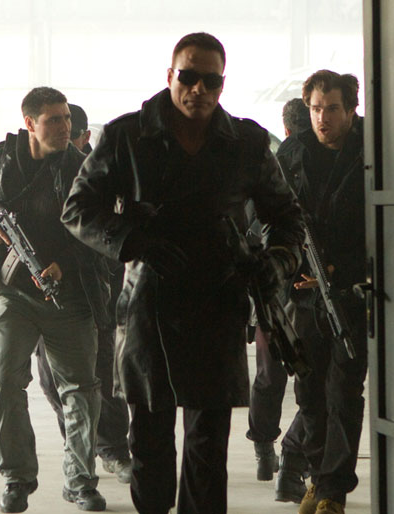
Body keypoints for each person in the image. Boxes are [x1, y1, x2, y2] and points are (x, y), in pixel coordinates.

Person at [61, 32, 305, 514]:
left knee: (208, 452)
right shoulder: (127, 136)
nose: (199, 89)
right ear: (170, 76)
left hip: (219, 304)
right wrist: (135, 241)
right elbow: (78, 209)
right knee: (150, 447)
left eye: (211, 81)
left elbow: (288, 219)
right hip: (149, 304)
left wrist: (274, 264)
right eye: (189, 77)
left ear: (222, 84)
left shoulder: (247, 143)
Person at [0, 87, 108, 513]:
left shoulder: (82, 168)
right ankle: (17, 478)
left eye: (67, 119)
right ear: (30, 124)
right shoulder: (2, 159)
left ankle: (80, 481)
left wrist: (64, 264)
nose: (64, 127)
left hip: (69, 296)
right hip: (13, 293)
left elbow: (100, 232)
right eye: (54, 120)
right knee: (4, 382)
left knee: (81, 391)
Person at [277, 70, 367, 514]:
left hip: (350, 292)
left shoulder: (371, 150)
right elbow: (268, 214)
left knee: (343, 394)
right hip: (303, 292)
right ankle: (316, 477)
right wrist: (292, 262)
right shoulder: (292, 154)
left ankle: (332, 492)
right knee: (309, 394)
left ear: (351, 109)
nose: (323, 118)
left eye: (332, 108)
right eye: (315, 109)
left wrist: (339, 269)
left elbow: (385, 222)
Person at [34, 103, 134, 484]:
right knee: (51, 379)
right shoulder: (40, 169)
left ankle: (114, 449)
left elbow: (108, 236)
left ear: (84, 137)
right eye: (55, 124)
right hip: (50, 292)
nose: (62, 135)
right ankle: (78, 444)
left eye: (69, 128)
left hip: (94, 291)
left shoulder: (100, 173)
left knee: (102, 377)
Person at [245, 96, 313, 491]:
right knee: (311, 374)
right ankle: (296, 453)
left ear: (285, 127)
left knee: (268, 373)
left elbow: (251, 226)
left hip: (271, 284)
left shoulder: (271, 163)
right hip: (307, 283)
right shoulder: (319, 161)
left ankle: (264, 451)